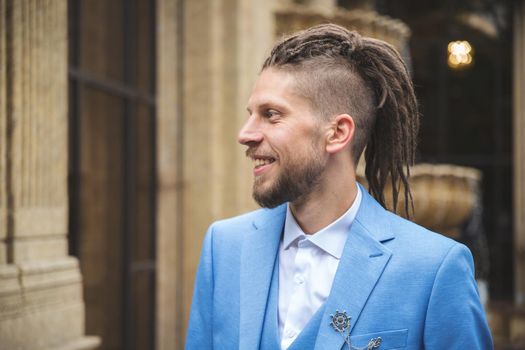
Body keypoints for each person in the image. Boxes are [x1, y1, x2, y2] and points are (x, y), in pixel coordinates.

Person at [186, 24, 493, 350]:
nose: (245, 134)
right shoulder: (223, 247)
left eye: (271, 114)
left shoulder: (434, 269)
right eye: (251, 114)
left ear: (337, 133)